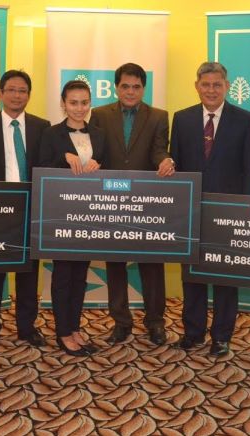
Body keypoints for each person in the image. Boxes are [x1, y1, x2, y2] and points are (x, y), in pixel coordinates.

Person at [170, 62, 250, 357]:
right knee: (192, 274)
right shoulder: (181, 119)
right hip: (192, 211)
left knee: (225, 277)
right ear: (197, 86)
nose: (211, 90)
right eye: (205, 84)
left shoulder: (246, 120)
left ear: (227, 86)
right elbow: (177, 166)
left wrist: (244, 210)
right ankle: (193, 332)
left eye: (217, 85)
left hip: (228, 212)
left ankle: (222, 336)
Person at [89, 62, 175, 346]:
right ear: (116, 87)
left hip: (146, 202)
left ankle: (155, 322)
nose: (130, 91)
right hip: (111, 200)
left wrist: (165, 160)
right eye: (125, 86)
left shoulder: (159, 116)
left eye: (136, 87)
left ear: (143, 89)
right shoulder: (100, 115)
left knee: (152, 265)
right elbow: (97, 153)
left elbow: (159, 150)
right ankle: (121, 322)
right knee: (115, 264)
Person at [0, 69, 50, 351]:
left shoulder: (43, 127)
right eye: (12, 90)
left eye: (23, 91)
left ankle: (27, 328)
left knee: (28, 273)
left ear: (29, 95)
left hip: (30, 207)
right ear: (0, 93)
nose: (17, 96)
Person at [39, 80, 106, 356]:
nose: (79, 108)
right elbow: (40, 169)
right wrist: (62, 157)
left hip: (89, 216)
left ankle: (75, 327)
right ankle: (63, 332)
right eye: (73, 102)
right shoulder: (50, 134)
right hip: (60, 216)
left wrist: (100, 166)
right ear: (63, 104)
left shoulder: (100, 135)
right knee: (63, 275)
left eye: (84, 102)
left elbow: (110, 173)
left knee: (80, 275)